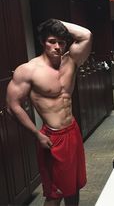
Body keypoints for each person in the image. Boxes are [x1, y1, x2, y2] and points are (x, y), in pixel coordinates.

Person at [6, 19, 92, 206]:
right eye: (52, 41)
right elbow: (13, 105)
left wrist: (56, 21)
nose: (57, 47)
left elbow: (86, 35)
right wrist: (36, 134)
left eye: (61, 42)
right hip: (52, 137)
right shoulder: (28, 70)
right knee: (55, 193)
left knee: (74, 187)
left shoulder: (72, 61)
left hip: (72, 131)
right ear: (42, 41)